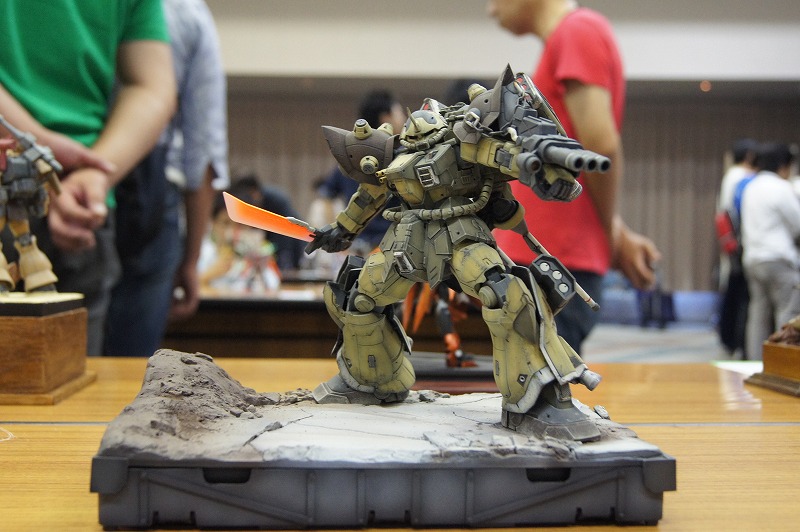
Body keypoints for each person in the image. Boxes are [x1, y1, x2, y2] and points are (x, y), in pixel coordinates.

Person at [0, 1, 176, 355]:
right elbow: (151, 86)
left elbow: (152, 87)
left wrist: (87, 169)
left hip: (79, 203)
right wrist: (90, 169)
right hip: (81, 195)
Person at [488, 0, 661, 354]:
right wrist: (617, 232)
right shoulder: (568, 37)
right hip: (549, 256)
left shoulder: (576, 30)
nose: (490, 10)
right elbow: (577, 164)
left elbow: (598, 148)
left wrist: (612, 234)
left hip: (552, 260)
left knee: (536, 379)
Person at [103, 0, 229, 357]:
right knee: (128, 363)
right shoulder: (189, 12)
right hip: (153, 194)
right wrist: (191, 260)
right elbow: (203, 152)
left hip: (70, 169)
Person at [315, 89, 406, 251]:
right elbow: (326, 196)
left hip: (359, 242)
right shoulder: (401, 158)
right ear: (386, 118)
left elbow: (326, 195)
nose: (404, 118)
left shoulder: (352, 159)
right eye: (399, 112)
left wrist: (339, 233)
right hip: (390, 242)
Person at [740, 142, 800, 360]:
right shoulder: (780, 187)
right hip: (778, 259)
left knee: (758, 315)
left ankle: (755, 361)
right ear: (783, 166)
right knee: (787, 313)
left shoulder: (751, 187)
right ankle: (783, 363)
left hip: (753, 258)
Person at [715, 138, 758, 357]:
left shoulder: (731, 175)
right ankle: (732, 339)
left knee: (732, 292)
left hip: (732, 242)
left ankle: (729, 339)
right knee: (737, 295)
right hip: (738, 243)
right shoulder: (742, 177)